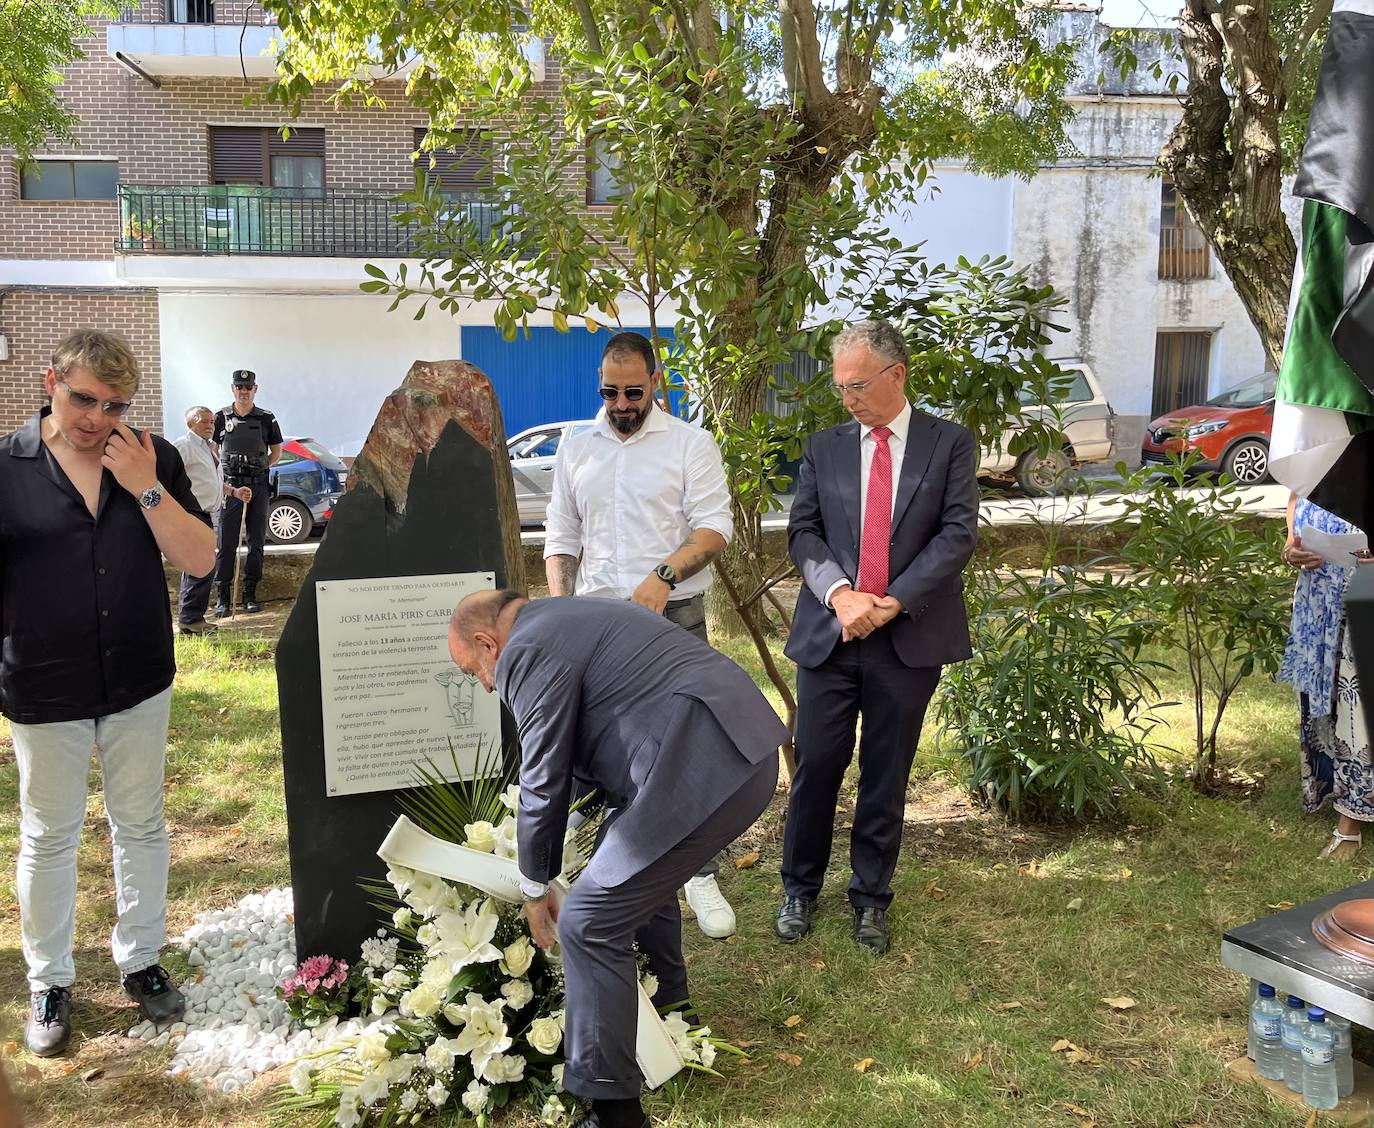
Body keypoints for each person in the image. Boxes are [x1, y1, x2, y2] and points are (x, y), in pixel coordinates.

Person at [448, 591, 784, 1128]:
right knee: (632, 883)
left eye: (475, 672)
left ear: (488, 642)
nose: (486, 685)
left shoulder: (526, 651)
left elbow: (543, 775)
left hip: (702, 767)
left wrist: (533, 887)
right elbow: (591, 736)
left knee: (586, 923)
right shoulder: (567, 616)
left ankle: (614, 1114)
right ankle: (674, 1011)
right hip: (737, 749)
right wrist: (569, 834)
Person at [0, 330, 215, 1057]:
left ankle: (142, 961)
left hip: (136, 677)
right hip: (43, 679)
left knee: (142, 823)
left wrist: (145, 486)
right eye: (82, 398)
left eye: (114, 404)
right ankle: (49, 980)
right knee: (49, 834)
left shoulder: (154, 456)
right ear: (49, 380)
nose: (96, 418)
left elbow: (200, 557)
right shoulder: (9, 466)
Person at [776, 319, 979, 955]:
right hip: (832, 632)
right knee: (816, 765)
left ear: (897, 375)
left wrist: (889, 603)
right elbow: (803, 533)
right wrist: (842, 595)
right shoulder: (825, 446)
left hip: (905, 634)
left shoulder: (949, 444)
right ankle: (799, 888)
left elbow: (957, 534)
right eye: (840, 388)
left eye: (857, 385)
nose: (847, 399)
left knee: (886, 771)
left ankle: (870, 897)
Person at [543, 331, 738, 938]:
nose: (621, 404)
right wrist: (558, 610)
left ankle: (697, 875)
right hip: (594, 620)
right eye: (610, 392)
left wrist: (662, 575)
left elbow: (713, 529)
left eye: (632, 391)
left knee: (686, 748)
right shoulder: (576, 448)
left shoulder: (691, 446)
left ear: (656, 381)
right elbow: (560, 537)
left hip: (671, 616)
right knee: (587, 745)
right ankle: (569, 867)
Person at [1279, 491, 1373, 860]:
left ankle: (1351, 824)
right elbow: (1295, 504)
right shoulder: (1321, 456)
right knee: (1327, 701)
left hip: (1367, 594)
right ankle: (1335, 788)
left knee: (1357, 708)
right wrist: (1292, 550)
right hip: (1319, 598)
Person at [172, 406, 249, 635]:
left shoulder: (210, 448)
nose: (210, 425)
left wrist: (233, 492)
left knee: (204, 564)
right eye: (204, 421)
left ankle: (193, 617)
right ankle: (189, 619)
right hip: (191, 512)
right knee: (200, 564)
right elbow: (170, 476)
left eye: (212, 422)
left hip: (208, 513)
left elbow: (212, 482)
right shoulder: (183, 446)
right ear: (191, 423)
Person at [211, 369, 281, 616]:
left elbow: (276, 453)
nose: (243, 391)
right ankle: (223, 596)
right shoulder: (221, 417)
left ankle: (249, 594)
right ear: (233, 389)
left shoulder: (266, 418)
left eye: (247, 387)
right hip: (231, 487)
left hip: (257, 486)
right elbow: (211, 449)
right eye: (239, 387)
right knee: (226, 542)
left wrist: (259, 471)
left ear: (255, 389)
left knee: (256, 541)